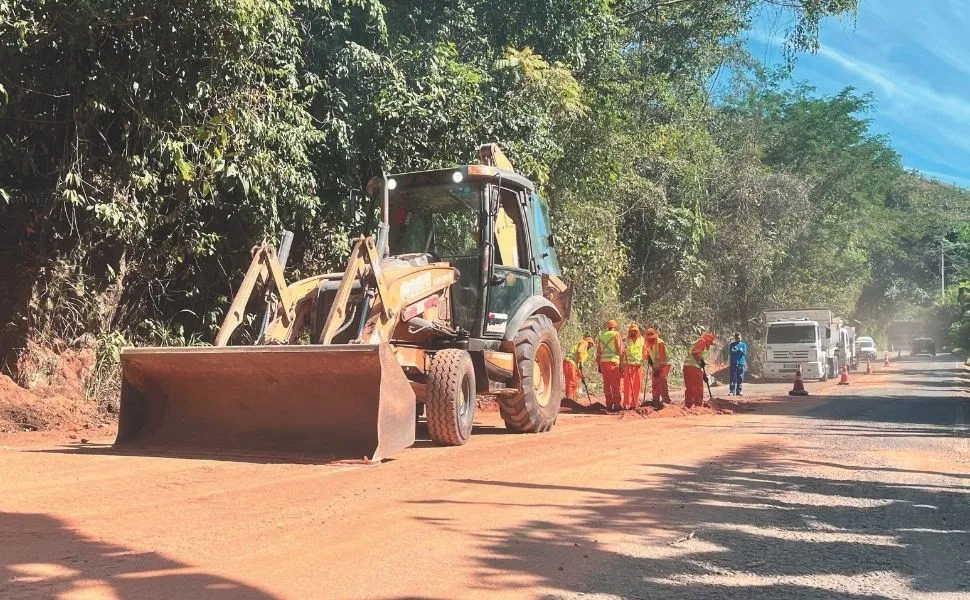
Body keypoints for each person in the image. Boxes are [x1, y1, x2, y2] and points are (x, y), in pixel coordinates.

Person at [596, 320, 624, 410]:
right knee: (615, 384)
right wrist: (622, 362)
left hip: (603, 363)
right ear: (615, 327)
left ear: (608, 327)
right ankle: (617, 405)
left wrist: (599, 365)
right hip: (613, 362)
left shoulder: (602, 336)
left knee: (607, 384)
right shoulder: (616, 334)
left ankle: (608, 405)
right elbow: (620, 349)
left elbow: (598, 353)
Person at [683, 331, 715, 408]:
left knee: (690, 387)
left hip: (687, 367)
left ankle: (688, 406)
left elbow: (695, 355)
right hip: (693, 367)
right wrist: (701, 361)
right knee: (698, 387)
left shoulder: (697, 342)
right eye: (710, 343)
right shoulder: (702, 342)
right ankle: (698, 406)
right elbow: (695, 353)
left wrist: (703, 375)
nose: (710, 345)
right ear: (709, 340)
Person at [644, 327, 671, 407]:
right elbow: (648, 354)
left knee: (662, 380)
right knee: (655, 382)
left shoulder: (660, 343)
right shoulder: (648, 343)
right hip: (655, 366)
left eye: (652, 338)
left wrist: (658, 369)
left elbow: (662, 357)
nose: (650, 339)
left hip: (664, 364)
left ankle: (666, 400)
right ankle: (655, 400)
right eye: (649, 338)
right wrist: (648, 358)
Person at [563, 335, 594, 401]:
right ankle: (569, 399)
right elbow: (579, 351)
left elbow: (578, 365)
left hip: (573, 364)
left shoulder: (586, 351)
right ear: (590, 343)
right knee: (571, 382)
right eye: (591, 345)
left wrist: (581, 375)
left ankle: (572, 399)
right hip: (570, 362)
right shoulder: (585, 343)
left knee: (575, 381)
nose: (591, 347)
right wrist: (580, 362)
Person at [622, 323, 645, 409]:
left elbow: (644, 350)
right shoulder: (625, 340)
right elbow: (622, 351)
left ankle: (634, 403)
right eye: (631, 331)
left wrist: (646, 357)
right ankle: (626, 403)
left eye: (634, 331)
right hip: (628, 365)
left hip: (638, 365)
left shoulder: (642, 339)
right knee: (627, 385)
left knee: (637, 385)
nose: (633, 333)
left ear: (637, 331)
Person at [728, 332, 748, 396]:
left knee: (740, 377)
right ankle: (732, 391)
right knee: (733, 377)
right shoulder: (732, 345)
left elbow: (744, 353)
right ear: (735, 338)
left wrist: (738, 351)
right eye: (737, 338)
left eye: (739, 338)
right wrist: (739, 351)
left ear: (741, 337)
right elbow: (731, 352)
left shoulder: (743, 345)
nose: (738, 339)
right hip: (733, 363)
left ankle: (738, 391)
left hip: (741, 363)